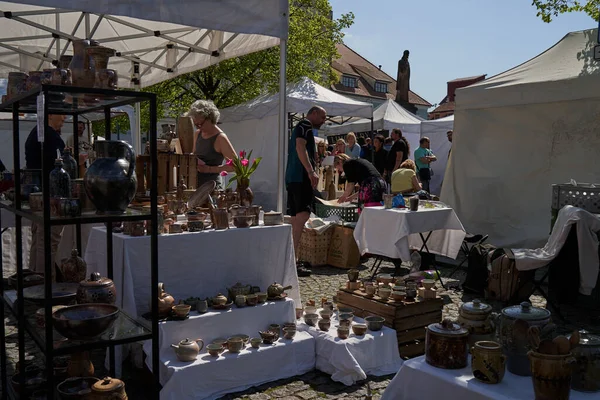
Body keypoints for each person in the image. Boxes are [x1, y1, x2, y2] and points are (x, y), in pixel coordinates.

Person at [285, 106, 327, 277]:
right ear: (314, 113)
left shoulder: (302, 126)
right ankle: (293, 260)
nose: (324, 121)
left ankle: (292, 258)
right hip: (300, 177)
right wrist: (310, 171)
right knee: (302, 216)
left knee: (297, 217)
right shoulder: (305, 124)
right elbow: (299, 146)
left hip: (294, 177)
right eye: (323, 117)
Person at [25, 114, 67, 280]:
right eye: (61, 114)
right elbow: (56, 167)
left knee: (40, 238)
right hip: (50, 197)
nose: (64, 117)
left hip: (40, 194)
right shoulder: (49, 136)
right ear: (50, 115)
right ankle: (46, 285)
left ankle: (35, 281)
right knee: (47, 241)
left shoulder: (38, 133)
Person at [187, 100, 237, 188]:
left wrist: (209, 169)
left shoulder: (220, 138)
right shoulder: (197, 134)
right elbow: (194, 155)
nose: (198, 127)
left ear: (210, 118)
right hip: (196, 185)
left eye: (200, 124)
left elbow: (235, 166)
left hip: (213, 187)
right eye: (196, 125)